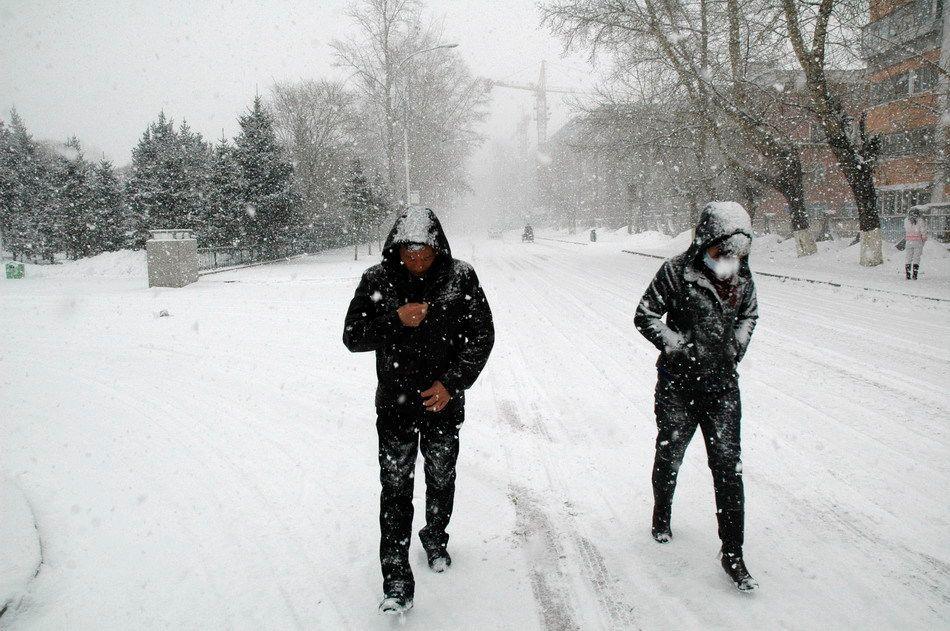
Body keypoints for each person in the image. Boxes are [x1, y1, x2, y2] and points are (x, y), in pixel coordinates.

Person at [343, 207, 495, 614]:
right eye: (408, 253)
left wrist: (452, 383)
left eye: (423, 253)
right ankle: (395, 580)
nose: (415, 261)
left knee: (441, 477)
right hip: (395, 406)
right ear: (396, 247)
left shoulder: (460, 277)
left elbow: (482, 335)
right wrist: (395, 318)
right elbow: (352, 336)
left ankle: (435, 538)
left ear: (437, 248)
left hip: (443, 403)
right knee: (394, 489)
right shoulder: (377, 280)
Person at [634, 201, 760, 592]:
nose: (729, 261)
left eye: (736, 254)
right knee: (670, 454)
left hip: (722, 388)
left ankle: (733, 553)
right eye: (722, 252)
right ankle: (662, 512)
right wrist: (675, 345)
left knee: (728, 468)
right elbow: (644, 314)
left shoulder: (741, 277)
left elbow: (749, 314)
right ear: (705, 242)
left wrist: (736, 347)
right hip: (678, 386)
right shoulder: (675, 271)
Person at [904, 207, 928, 280]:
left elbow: (906, 229)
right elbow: (923, 231)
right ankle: (915, 274)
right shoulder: (920, 221)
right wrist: (924, 238)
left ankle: (908, 275)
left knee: (908, 257)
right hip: (918, 241)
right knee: (916, 258)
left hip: (908, 241)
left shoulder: (906, 220)